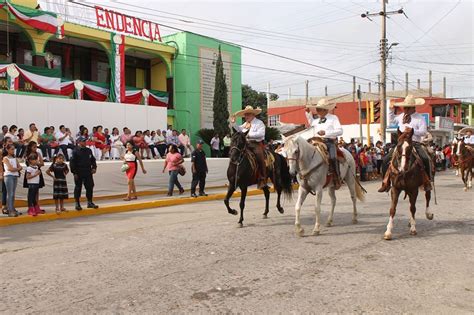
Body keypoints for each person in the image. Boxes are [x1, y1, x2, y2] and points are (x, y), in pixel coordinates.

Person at [378, 95, 432, 192]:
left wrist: (412, 131)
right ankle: (386, 182)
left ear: (413, 107)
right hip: (401, 143)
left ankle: (427, 181)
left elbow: (423, 132)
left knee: (425, 158)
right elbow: (391, 120)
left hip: (414, 143)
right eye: (404, 107)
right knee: (386, 159)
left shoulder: (420, 118)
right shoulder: (401, 116)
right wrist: (390, 110)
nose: (405, 109)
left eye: (407, 107)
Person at [305, 99, 343, 189]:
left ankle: (337, 177)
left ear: (325, 110)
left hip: (329, 142)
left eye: (319, 109)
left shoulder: (334, 118)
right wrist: (308, 113)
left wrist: (325, 133)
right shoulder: (316, 120)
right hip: (316, 142)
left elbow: (340, 131)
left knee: (333, 158)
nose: (317, 111)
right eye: (317, 109)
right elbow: (311, 123)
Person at [230, 105, 268, 189]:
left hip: (256, 144)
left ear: (253, 115)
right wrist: (233, 123)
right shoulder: (245, 124)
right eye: (245, 115)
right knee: (237, 153)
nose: (246, 116)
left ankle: (262, 178)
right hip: (247, 144)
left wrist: (248, 135)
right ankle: (237, 176)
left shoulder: (259, 123)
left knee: (259, 156)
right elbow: (239, 130)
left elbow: (261, 134)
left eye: (248, 115)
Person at [70, 136, 98, 211]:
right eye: (83, 141)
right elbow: (72, 163)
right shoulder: (75, 151)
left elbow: (93, 160)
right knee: (78, 188)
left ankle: (90, 202)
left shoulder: (88, 150)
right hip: (79, 171)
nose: (85, 142)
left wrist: (94, 168)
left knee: (90, 186)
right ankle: (77, 203)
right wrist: (74, 173)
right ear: (79, 142)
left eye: (85, 141)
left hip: (88, 171)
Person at [2, 144, 22, 217]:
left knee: (13, 194)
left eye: (14, 149)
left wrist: (15, 169)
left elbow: (20, 167)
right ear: (7, 150)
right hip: (8, 176)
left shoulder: (14, 158)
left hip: (14, 176)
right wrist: (17, 169)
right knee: (10, 193)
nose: (13, 151)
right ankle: (10, 211)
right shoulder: (5, 158)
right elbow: (10, 169)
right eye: (11, 149)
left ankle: (12, 209)